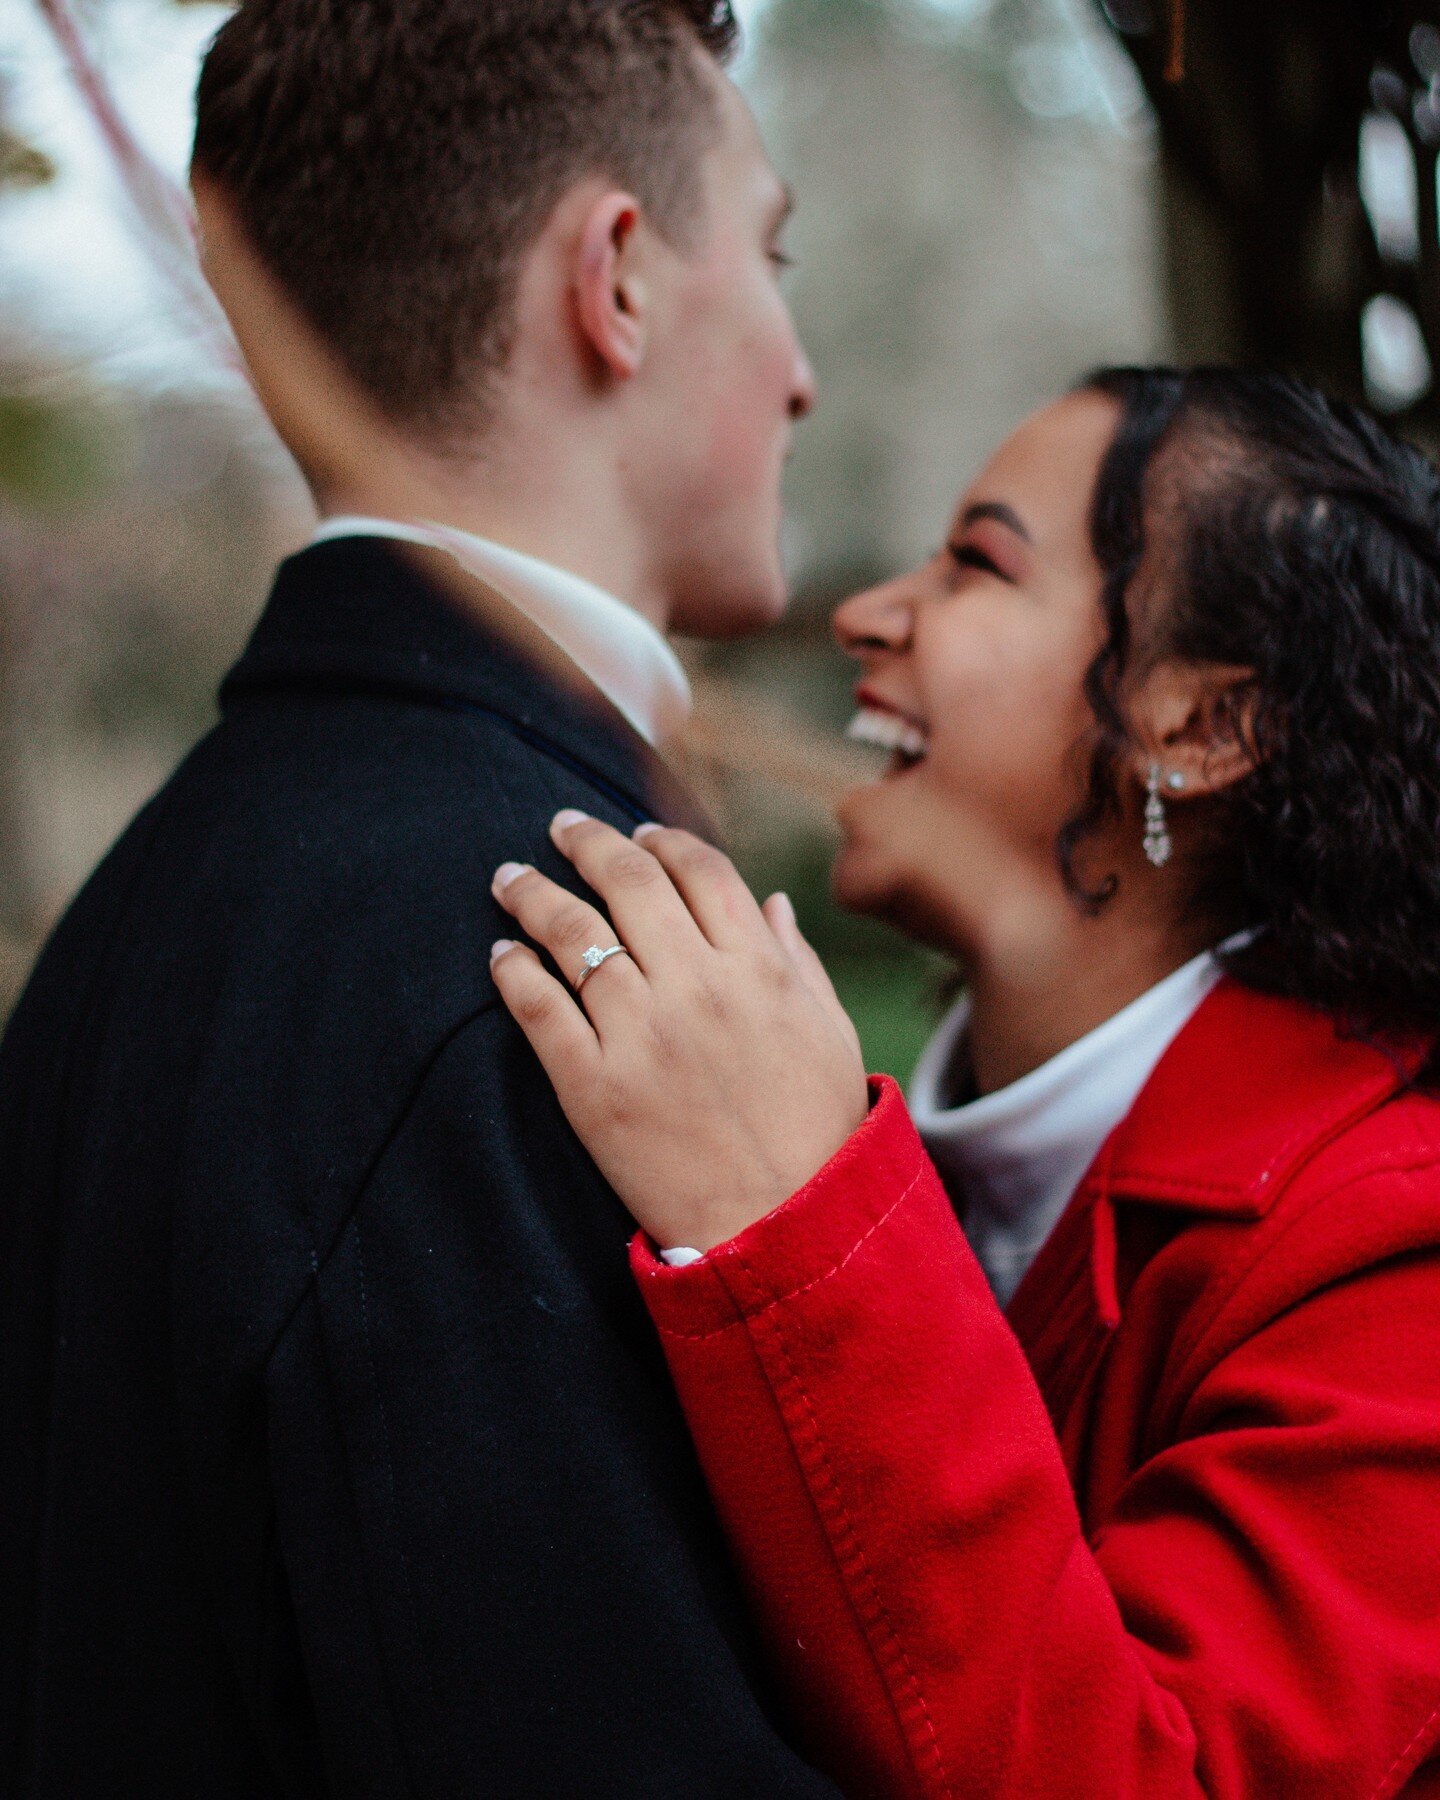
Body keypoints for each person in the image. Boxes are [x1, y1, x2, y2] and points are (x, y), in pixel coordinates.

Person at [0, 2, 836, 1794]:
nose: (800, 369)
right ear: (614, 281)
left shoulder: (149, 905)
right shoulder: (546, 962)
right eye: (768, 253)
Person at [490, 367, 1440, 1797]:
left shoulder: (1392, 1247)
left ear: (1205, 729)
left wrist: (798, 1228)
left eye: (978, 563)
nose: (870, 614)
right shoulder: (949, 1162)